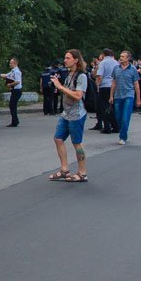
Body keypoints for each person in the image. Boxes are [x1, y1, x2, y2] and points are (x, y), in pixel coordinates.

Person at [49, 49, 89, 182]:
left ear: (76, 60)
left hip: (76, 114)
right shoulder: (69, 74)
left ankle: (82, 173)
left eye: (68, 58)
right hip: (66, 113)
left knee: (77, 143)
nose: (65, 60)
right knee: (58, 138)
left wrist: (60, 87)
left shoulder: (81, 76)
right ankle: (64, 169)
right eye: (65, 58)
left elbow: (78, 96)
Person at [109, 50, 141, 145]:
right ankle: (122, 130)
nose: (121, 58)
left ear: (128, 58)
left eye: (123, 56)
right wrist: (111, 95)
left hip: (129, 95)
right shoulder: (116, 68)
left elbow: (136, 84)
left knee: (125, 117)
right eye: (120, 56)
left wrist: (138, 98)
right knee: (118, 117)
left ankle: (122, 137)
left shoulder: (133, 69)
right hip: (118, 96)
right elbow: (114, 83)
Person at [94, 50, 118, 134]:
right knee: (112, 106)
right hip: (114, 86)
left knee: (104, 106)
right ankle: (115, 126)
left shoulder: (103, 63)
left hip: (104, 85)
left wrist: (97, 85)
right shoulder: (116, 62)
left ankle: (107, 126)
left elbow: (99, 76)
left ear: (104, 54)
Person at [4, 57, 23, 127]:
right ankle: (15, 121)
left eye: (11, 63)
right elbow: (6, 75)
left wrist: (10, 84)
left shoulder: (16, 71)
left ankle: (15, 121)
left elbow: (17, 81)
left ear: (15, 63)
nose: (10, 64)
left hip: (17, 90)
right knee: (12, 106)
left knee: (12, 105)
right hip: (14, 90)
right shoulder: (13, 71)